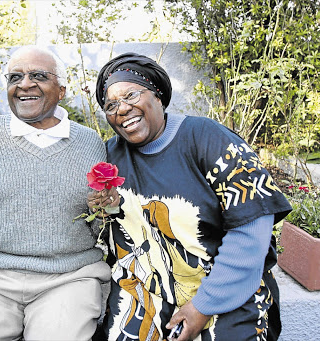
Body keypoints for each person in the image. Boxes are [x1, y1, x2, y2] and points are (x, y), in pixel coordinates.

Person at [88, 53, 292, 341]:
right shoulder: (111, 156)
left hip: (226, 289)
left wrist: (203, 305)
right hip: (147, 294)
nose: (121, 109)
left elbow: (251, 231)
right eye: (110, 105)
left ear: (158, 96)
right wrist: (104, 208)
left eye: (131, 95)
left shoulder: (210, 140)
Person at [0, 46, 116, 341]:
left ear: (61, 90)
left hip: (69, 278)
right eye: (15, 76)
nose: (25, 84)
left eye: (38, 76)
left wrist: (104, 210)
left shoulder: (89, 142)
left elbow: (96, 226)